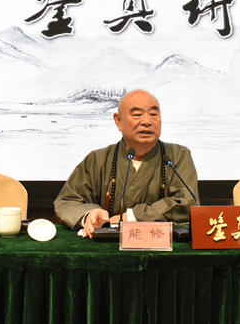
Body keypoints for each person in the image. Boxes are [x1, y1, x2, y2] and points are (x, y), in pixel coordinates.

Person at [54, 89, 198, 238]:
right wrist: (89, 214)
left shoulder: (178, 156)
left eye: (153, 114)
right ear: (118, 121)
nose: (147, 121)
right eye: (137, 115)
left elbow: (186, 202)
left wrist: (130, 217)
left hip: (160, 243)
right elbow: (67, 201)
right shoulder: (98, 159)